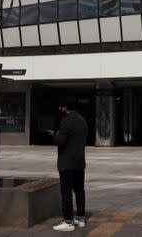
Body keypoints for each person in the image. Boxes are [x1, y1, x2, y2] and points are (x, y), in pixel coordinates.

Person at [46, 97, 88, 232]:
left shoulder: (66, 121)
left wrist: (54, 135)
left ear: (66, 107)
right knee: (79, 190)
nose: (60, 109)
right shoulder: (82, 120)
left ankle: (68, 221)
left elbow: (60, 141)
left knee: (66, 192)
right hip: (79, 161)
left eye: (61, 107)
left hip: (67, 162)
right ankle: (81, 218)